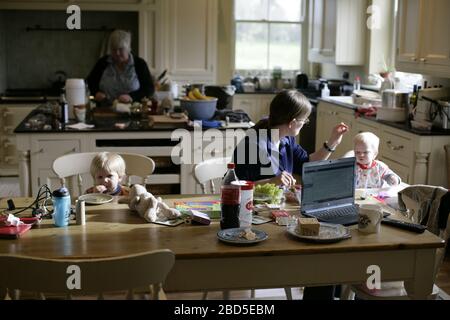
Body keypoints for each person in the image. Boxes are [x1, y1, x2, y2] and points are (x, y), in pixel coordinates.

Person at [233, 90, 349, 187]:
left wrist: (332, 143)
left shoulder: (286, 139)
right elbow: (238, 187)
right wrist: (272, 181)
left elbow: (307, 164)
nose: (304, 123)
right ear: (292, 123)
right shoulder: (252, 146)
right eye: (304, 120)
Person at [86, 29, 154, 106]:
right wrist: (96, 93)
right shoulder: (102, 63)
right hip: (104, 110)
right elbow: (89, 83)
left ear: (128, 48)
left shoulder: (139, 64)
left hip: (132, 110)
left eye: (121, 49)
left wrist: (131, 97)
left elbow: (149, 89)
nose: (117, 53)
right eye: (114, 50)